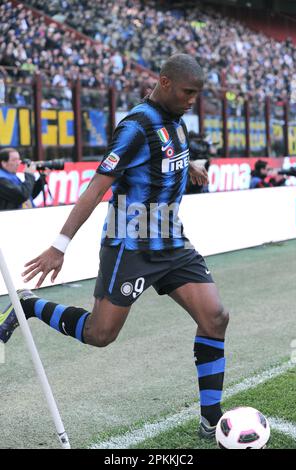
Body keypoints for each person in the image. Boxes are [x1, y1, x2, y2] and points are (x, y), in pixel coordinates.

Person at [0, 54, 229, 439]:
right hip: (130, 246)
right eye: (188, 92)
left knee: (216, 317)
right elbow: (96, 187)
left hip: (172, 242)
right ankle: (29, 305)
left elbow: (167, 151)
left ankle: (211, 419)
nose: (193, 100)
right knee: (100, 335)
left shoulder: (176, 118)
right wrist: (59, 245)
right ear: (166, 82)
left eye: (198, 94)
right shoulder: (135, 127)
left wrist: (189, 167)